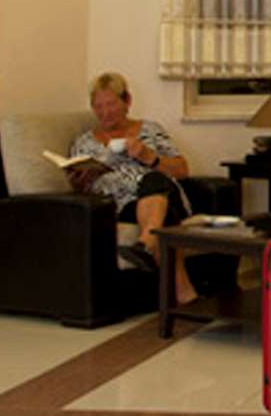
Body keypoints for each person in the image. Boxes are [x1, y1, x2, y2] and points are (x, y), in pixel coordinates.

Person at [68, 72, 229, 301]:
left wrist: (149, 157)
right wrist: (79, 182)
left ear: (127, 101)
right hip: (123, 206)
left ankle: (146, 244)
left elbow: (182, 169)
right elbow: (80, 187)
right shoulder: (83, 143)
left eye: (111, 104)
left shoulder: (151, 130)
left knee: (153, 180)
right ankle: (183, 292)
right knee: (165, 216)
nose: (105, 112)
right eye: (98, 106)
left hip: (164, 190)